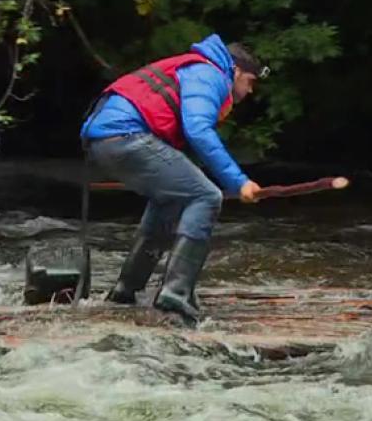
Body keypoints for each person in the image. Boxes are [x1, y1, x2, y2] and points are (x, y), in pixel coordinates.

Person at [80, 33, 269, 325]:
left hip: (105, 141)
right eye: (250, 82)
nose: (250, 91)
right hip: (125, 136)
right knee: (207, 196)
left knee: (170, 199)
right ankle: (176, 295)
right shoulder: (211, 74)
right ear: (236, 71)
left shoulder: (198, 69)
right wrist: (239, 181)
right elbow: (198, 130)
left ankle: (126, 291)